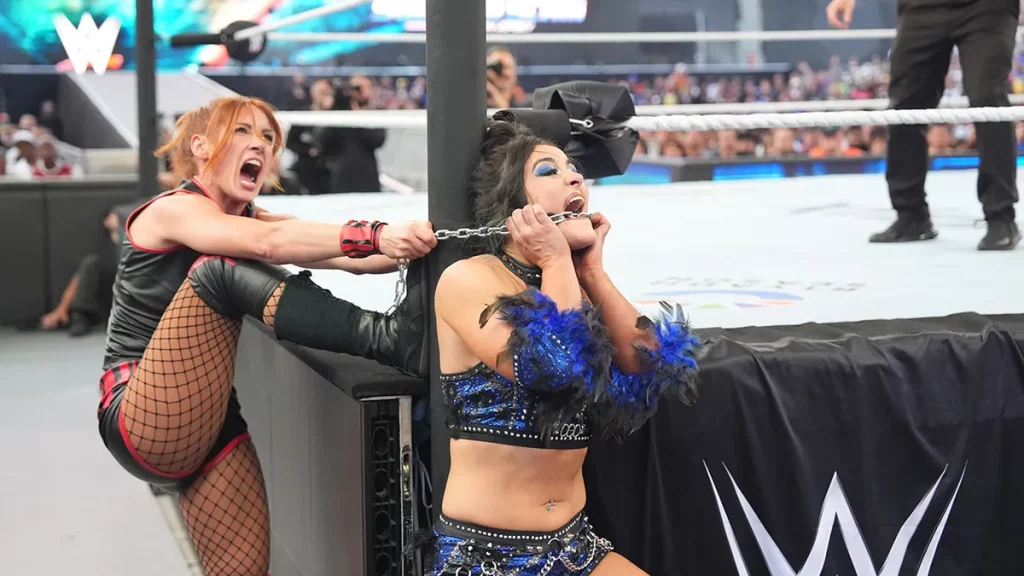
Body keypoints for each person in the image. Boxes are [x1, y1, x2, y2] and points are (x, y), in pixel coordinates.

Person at [96, 96, 436, 576]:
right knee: (218, 270)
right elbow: (268, 246)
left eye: (268, 137)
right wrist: (377, 233)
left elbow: (349, 256)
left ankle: (396, 335)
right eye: (242, 131)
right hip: (141, 411)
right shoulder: (173, 209)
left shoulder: (250, 220)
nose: (259, 143)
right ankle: (388, 339)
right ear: (200, 146)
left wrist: (430, 243)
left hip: (210, 419)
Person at [428, 119, 702, 575]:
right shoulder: (469, 278)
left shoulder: (573, 288)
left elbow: (650, 366)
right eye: (548, 171)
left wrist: (591, 271)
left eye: (574, 169)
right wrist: (556, 258)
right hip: (489, 559)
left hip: (575, 549)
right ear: (514, 206)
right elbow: (552, 366)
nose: (575, 178)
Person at [826, 0, 1020, 250]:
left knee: (988, 99)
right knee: (906, 103)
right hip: (922, 6)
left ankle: (1001, 218)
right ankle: (911, 216)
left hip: (986, 7)